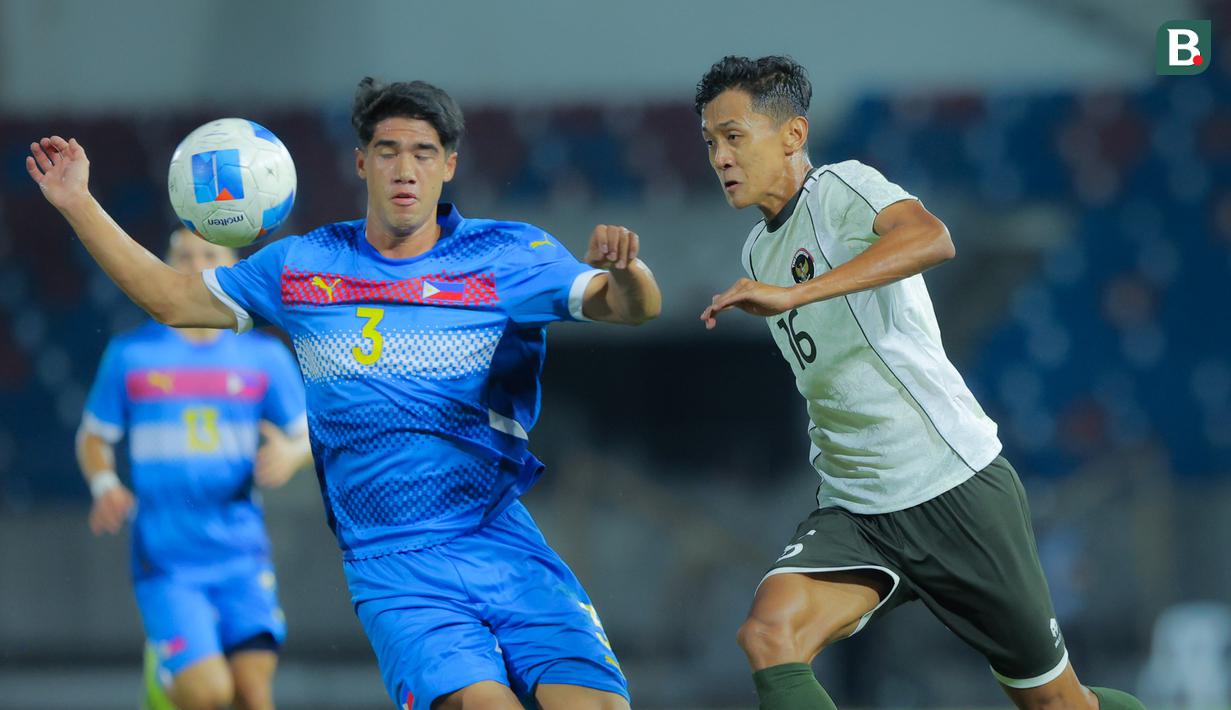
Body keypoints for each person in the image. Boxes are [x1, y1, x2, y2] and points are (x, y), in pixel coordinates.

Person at [30, 76, 660, 710]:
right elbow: (172, 298)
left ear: (449, 165)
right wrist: (78, 202)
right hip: (394, 563)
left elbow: (630, 308)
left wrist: (626, 271)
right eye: (387, 151)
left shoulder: (507, 254)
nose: (404, 169)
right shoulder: (303, 266)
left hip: (500, 538)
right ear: (361, 162)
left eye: (422, 152)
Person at [694, 55, 1145, 710]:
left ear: (791, 135)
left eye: (733, 136)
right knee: (768, 633)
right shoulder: (756, 251)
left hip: (951, 489)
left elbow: (932, 238)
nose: (719, 157)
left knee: (1056, 704)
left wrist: (798, 295)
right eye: (709, 142)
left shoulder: (840, 189)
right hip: (857, 504)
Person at [78, 228, 311, 710]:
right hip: (167, 561)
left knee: (253, 695)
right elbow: (94, 435)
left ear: (231, 266)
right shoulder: (132, 354)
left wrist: (290, 455)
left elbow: (307, 431)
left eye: (207, 252)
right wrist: (105, 484)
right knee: (208, 694)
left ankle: (173, 669)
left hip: (241, 554)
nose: (193, 261)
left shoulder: (263, 356)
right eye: (182, 253)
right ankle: (164, 678)